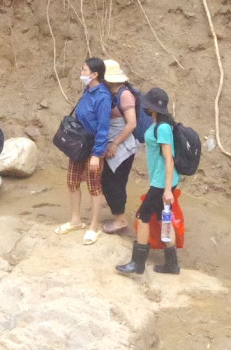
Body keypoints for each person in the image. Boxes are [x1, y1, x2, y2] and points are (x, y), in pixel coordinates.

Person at [117, 87, 183, 276]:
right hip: (162, 181)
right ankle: (172, 265)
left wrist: (168, 189)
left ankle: (137, 263)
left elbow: (169, 159)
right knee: (164, 218)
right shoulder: (160, 125)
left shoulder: (162, 128)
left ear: (152, 108)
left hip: (162, 183)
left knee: (142, 216)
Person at [57, 58, 111, 244]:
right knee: (72, 181)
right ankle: (75, 220)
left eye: (84, 69)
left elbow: (103, 128)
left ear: (94, 75)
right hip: (79, 144)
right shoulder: (87, 90)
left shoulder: (103, 97)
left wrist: (97, 154)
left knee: (94, 185)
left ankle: (94, 226)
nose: (81, 72)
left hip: (93, 145)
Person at [99, 60, 142, 237]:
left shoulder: (124, 95)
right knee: (111, 180)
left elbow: (131, 123)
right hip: (115, 144)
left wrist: (115, 143)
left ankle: (120, 219)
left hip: (122, 146)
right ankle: (116, 210)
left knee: (114, 182)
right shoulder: (113, 92)